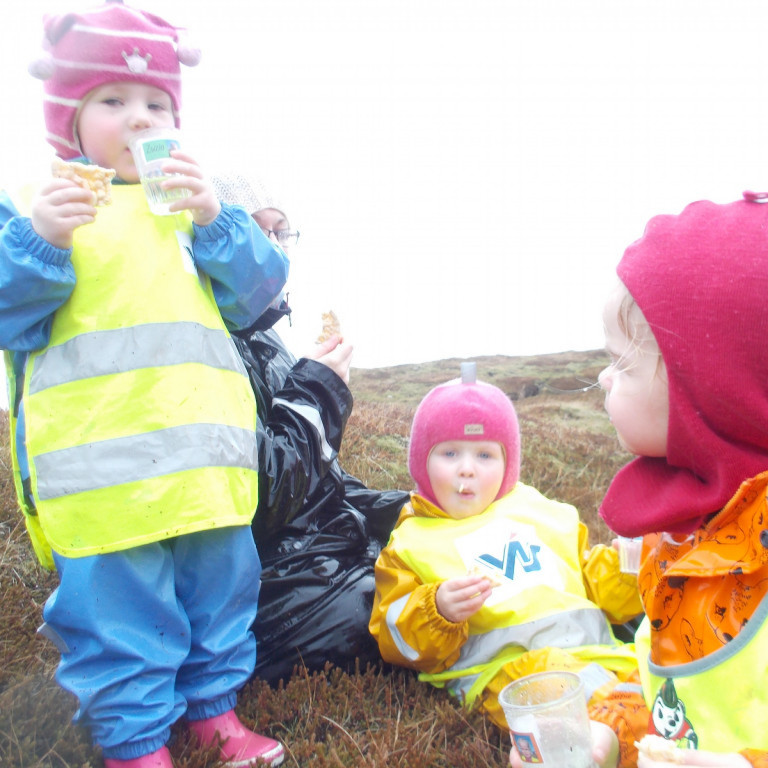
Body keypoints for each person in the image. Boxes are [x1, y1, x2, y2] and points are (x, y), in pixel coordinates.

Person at [0, 4, 291, 767]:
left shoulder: (190, 206)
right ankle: (135, 743)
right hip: (100, 472)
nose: (139, 119)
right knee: (117, 612)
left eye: (156, 104)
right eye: (112, 101)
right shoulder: (38, 203)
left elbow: (257, 299)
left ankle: (213, 715)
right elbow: (9, 317)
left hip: (204, 461)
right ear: (67, 116)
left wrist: (220, 220)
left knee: (217, 595)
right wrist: (40, 240)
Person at [512, 192, 768, 768]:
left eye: (622, 361)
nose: (603, 378)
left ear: (716, 387)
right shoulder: (684, 532)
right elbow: (673, 701)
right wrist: (608, 736)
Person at [211, 172, 410, 684]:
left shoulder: (268, 340)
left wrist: (406, 510)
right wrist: (317, 390)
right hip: (276, 599)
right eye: (258, 230)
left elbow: (321, 484)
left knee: (467, 547)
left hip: (321, 563)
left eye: (283, 231)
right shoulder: (204, 341)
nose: (275, 246)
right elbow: (262, 498)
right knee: (440, 606)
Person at [369, 361, 642, 731]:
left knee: (671, 686)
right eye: (449, 453)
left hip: (603, 655)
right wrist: (438, 610)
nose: (467, 469)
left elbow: (595, 582)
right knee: (601, 716)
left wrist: (631, 568)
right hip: (511, 674)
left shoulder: (539, 512)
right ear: (422, 462)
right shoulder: (411, 542)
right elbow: (394, 634)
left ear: (507, 463)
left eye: (485, 455)